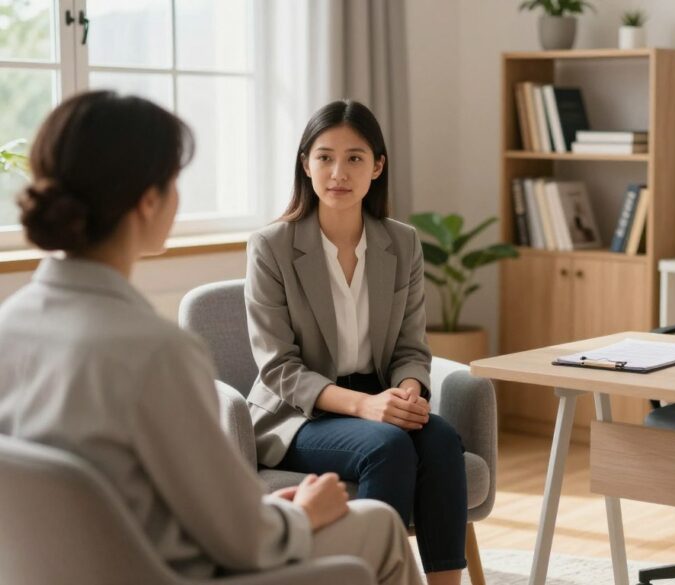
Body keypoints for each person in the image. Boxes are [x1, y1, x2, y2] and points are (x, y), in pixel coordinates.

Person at [0, 91, 422, 585]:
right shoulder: (157, 352)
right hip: (176, 571)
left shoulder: (12, 323)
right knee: (381, 527)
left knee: (374, 518)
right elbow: (244, 537)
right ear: (149, 200)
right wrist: (302, 514)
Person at [245, 100, 468, 585]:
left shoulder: (402, 243)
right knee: (386, 446)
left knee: (443, 439)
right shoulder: (272, 247)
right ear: (306, 164)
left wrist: (408, 389)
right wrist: (366, 407)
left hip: (379, 396)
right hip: (299, 412)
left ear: (378, 166)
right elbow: (278, 367)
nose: (338, 172)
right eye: (324, 157)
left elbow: (411, 346)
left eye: (354, 158)